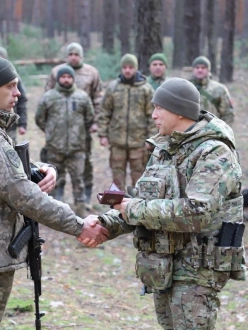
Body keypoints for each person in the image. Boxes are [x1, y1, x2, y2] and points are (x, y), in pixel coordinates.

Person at [0, 54, 108, 329]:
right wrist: (78, 225)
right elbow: (23, 194)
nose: (18, 93)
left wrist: (44, 168)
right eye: (10, 86)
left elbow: (5, 165)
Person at [81, 78, 245, 329]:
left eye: (159, 108)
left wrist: (132, 208)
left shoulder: (214, 152)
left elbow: (196, 212)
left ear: (179, 112)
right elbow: (142, 201)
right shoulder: (164, 147)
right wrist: (106, 223)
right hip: (163, 265)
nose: (153, 114)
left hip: (198, 269)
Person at [45, 42, 102, 210]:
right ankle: (57, 199)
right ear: (66, 56)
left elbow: (98, 99)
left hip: (82, 128)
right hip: (59, 130)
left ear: (81, 56)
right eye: (70, 54)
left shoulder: (92, 73)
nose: (73, 57)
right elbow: (47, 98)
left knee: (84, 165)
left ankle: (85, 200)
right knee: (57, 166)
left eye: (77, 54)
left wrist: (95, 123)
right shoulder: (56, 72)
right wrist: (51, 126)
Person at [36, 66, 94, 217]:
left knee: (78, 181)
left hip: (77, 149)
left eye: (69, 77)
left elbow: (89, 118)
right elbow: (40, 119)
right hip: (55, 148)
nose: (66, 80)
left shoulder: (82, 97)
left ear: (73, 78)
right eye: (63, 77)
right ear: (58, 79)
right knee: (55, 181)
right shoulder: (48, 97)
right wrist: (53, 133)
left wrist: (78, 134)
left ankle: (81, 213)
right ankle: (55, 214)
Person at [98, 53, 156, 191]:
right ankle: (118, 208)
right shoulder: (113, 88)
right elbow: (105, 112)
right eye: (125, 67)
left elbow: (152, 116)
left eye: (131, 67)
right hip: (117, 142)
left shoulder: (146, 89)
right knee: (117, 178)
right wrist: (103, 134)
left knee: (139, 178)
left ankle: (136, 207)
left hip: (139, 143)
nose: (127, 70)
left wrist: (152, 140)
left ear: (136, 68)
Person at [0, 46, 27, 143]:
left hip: (9, 123)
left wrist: (22, 124)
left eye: (2, 59)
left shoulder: (14, 77)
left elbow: (22, 100)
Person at [190, 55, 234, 126]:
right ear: (193, 69)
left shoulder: (220, 89)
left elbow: (228, 114)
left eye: (203, 67)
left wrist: (223, 132)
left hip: (212, 132)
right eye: (197, 67)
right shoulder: (185, 87)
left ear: (208, 69)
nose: (200, 70)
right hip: (189, 132)